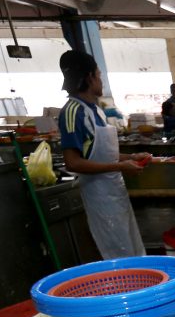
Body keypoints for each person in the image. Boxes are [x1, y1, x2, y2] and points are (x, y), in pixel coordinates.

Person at [57, 49, 150, 259]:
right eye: (99, 76)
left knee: (132, 248)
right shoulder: (73, 112)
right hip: (98, 195)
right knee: (117, 253)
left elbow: (102, 153)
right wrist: (120, 166)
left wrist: (130, 158)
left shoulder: (96, 110)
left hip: (115, 190)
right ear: (89, 77)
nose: (101, 81)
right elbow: (73, 162)